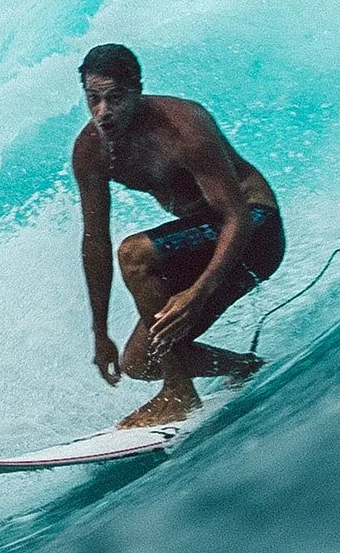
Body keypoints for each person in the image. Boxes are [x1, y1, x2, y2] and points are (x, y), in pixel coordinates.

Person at [71, 43, 285, 428]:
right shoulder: (91, 151)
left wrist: (197, 292)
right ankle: (245, 369)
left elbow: (235, 215)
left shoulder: (183, 126)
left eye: (114, 98)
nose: (102, 112)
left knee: (135, 253)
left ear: (137, 90)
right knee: (139, 361)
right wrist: (100, 332)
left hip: (255, 230)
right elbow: (95, 244)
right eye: (93, 99)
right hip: (203, 241)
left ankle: (178, 393)